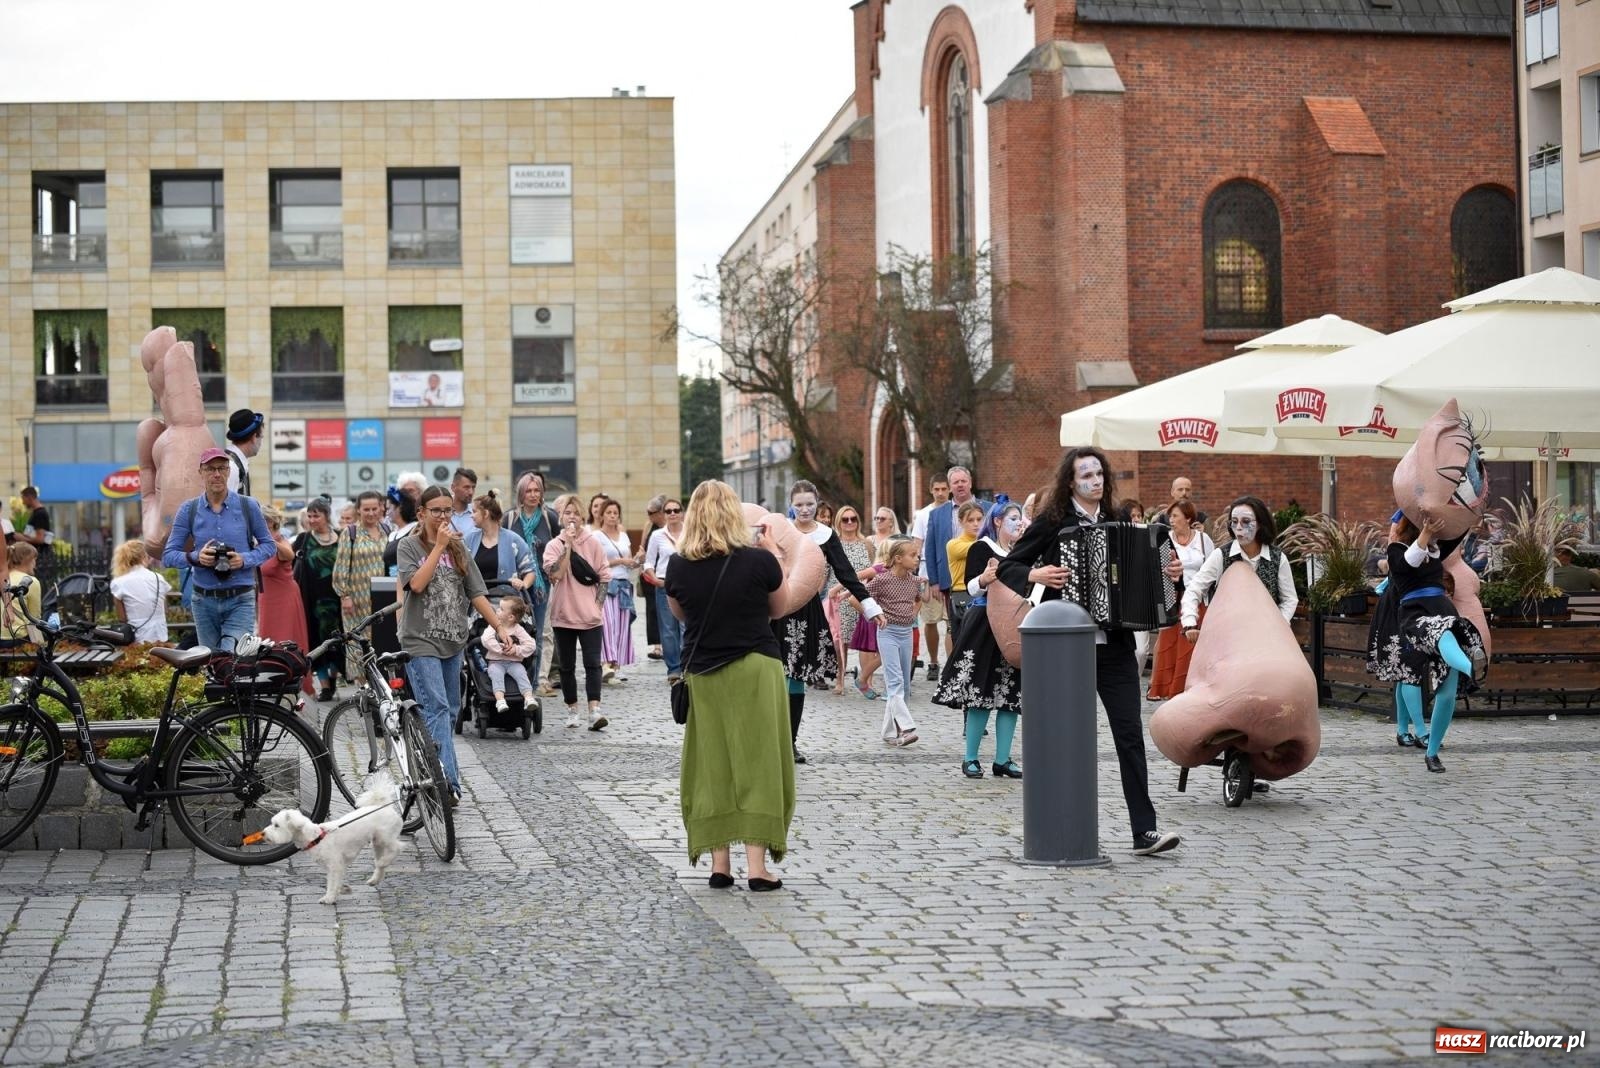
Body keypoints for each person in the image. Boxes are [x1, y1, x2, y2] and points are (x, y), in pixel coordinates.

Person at [1000, 446, 1181, 857]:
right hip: (1066, 648)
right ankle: (1061, 825)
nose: (1095, 481)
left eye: (1099, 474)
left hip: (1114, 646)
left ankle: (1144, 831)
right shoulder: (1051, 524)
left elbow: (1151, 573)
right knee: (1066, 738)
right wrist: (1035, 573)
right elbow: (1010, 566)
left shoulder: (1120, 521)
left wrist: (1168, 572)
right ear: (1071, 481)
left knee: (1130, 735)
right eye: (1086, 475)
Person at [664, 479, 792, 891]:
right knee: (759, 763)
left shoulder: (679, 565)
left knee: (713, 764)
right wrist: (772, 553)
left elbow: (681, 615)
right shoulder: (759, 562)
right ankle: (758, 868)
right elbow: (780, 607)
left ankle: (721, 865)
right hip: (756, 665)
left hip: (705, 673)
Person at [399, 485, 512, 804]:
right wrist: (438, 548)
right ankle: (447, 783)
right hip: (420, 640)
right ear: (421, 513)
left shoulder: (460, 550)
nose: (443, 516)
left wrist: (500, 627)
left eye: (447, 510)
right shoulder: (408, 546)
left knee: (449, 711)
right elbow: (416, 585)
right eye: (435, 510)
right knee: (435, 707)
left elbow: (477, 593)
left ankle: (431, 768)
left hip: (453, 640)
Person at [1368, 513, 1487, 773]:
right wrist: (1425, 531)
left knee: (1446, 691)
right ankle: (1472, 668)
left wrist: (1465, 508)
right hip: (1415, 613)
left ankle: (1432, 753)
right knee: (1440, 636)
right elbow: (1409, 563)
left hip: (1442, 608)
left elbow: (1456, 533)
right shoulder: (1396, 550)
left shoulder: (1435, 548)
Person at [778, 480, 883, 764]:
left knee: (796, 677)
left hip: (805, 609)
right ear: (791, 504)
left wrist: (870, 607)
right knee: (774, 678)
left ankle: (790, 742)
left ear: (818, 504)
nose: (804, 509)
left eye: (809, 504)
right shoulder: (780, 531)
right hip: (775, 609)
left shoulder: (825, 535)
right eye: (798, 504)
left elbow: (846, 574)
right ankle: (769, 740)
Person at [935, 498, 1029, 778]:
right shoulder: (982, 547)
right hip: (985, 625)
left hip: (1014, 627)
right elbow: (970, 588)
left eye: (1020, 518)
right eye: (1013, 518)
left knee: (1011, 694)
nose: (1018, 523)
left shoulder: (1022, 552)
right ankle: (971, 757)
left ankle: (1003, 759)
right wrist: (985, 579)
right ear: (998, 521)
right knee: (981, 692)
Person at [161, 448, 276, 654]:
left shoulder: (249, 506)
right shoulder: (189, 509)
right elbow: (168, 555)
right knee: (212, 664)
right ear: (201, 472)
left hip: (240, 599)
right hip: (203, 602)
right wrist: (196, 557)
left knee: (230, 659)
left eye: (222, 468)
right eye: (211, 469)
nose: (217, 474)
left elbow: (269, 545)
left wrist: (244, 559)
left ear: (229, 472)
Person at [1179, 496, 1297, 637]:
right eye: (1234, 522)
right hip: (1227, 636)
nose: (1239, 527)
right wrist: (1190, 622)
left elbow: (1289, 598)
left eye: (1246, 521)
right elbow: (1194, 589)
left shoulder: (1277, 558)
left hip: (1266, 638)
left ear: (1260, 524)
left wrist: (1279, 624)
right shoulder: (1221, 555)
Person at [542, 493, 612, 731]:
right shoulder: (553, 546)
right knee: (567, 667)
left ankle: (594, 710)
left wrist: (598, 605)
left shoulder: (593, 543)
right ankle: (572, 709)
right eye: (567, 513)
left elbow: (604, 575)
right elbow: (556, 574)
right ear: (561, 517)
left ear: (583, 516)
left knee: (593, 664)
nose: (572, 517)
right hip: (563, 616)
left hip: (590, 617)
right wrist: (568, 546)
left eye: (576, 513)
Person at [1147, 500, 1215, 700]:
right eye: (1170, 516)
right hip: (1172, 597)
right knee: (1169, 642)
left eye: (1175, 516)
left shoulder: (1203, 540)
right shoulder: (1165, 540)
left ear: (1188, 518)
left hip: (1197, 599)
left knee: (1190, 644)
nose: (1171, 520)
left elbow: (1213, 568)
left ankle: (1187, 689)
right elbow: (1154, 568)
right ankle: (1167, 689)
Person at [865, 535, 924, 746]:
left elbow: (919, 599)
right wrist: (875, 615)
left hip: (906, 632)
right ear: (898, 558)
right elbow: (860, 597)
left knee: (905, 685)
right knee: (895, 681)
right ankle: (906, 728)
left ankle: (890, 732)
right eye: (913, 555)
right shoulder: (881, 580)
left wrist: (912, 613)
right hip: (887, 632)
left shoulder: (915, 581)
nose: (917, 559)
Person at [508, 472, 561, 694]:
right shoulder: (510, 518)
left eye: (536, 490)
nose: (532, 494)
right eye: (528, 490)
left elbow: (561, 545)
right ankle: (514, 680)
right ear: (521, 493)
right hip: (514, 585)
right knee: (514, 630)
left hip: (542, 587)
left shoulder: (550, 518)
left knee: (538, 633)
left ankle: (536, 680)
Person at [255, 504, 314, 694]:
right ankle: (273, 680)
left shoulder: (280, 540)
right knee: (268, 640)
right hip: (266, 598)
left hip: (285, 597)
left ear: (270, 522)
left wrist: (270, 541)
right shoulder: (257, 543)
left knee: (287, 639)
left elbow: (289, 554)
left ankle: (294, 681)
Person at [293, 498, 345, 701]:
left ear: (326, 515)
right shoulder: (303, 539)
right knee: (317, 641)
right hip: (312, 601)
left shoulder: (342, 537)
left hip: (339, 600)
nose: (312, 519)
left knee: (339, 642)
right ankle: (324, 686)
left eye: (317, 515)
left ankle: (334, 675)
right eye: (310, 515)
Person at [333, 490, 391, 670]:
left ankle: (381, 686)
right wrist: (345, 596)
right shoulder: (350, 533)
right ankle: (363, 687)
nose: (371, 513)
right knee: (359, 644)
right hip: (357, 600)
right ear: (359, 510)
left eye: (375, 508)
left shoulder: (388, 530)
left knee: (381, 643)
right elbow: (340, 568)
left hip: (382, 598)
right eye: (366, 509)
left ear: (381, 508)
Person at [826, 506, 873, 695]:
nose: (849, 523)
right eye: (845, 519)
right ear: (839, 522)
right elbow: (825, 570)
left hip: (861, 595)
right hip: (839, 597)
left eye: (853, 519)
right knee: (840, 642)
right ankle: (840, 678)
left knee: (867, 639)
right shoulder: (833, 543)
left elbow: (873, 570)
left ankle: (867, 680)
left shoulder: (867, 544)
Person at [911, 476, 951, 679]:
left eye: (944, 488)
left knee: (951, 621)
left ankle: (951, 665)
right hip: (928, 572)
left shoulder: (955, 511)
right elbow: (917, 545)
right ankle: (934, 661)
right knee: (931, 620)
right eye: (937, 489)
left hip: (952, 571)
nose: (941, 492)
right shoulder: (924, 514)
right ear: (931, 490)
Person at [594, 497, 638, 682]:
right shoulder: (596, 537)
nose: (612, 516)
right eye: (609, 513)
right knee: (606, 623)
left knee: (621, 626)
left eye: (615, 513)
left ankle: (613, 665)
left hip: (623, 585)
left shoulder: (624, 536)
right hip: (605, 584)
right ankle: (604, 662)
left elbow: (629, 562)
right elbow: (596, 563)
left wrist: (638, 560)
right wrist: (620, 561)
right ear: (602, 515)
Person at [643, 497, 686, 683]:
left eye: (676, 510)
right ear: (664, 514)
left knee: (687, 627)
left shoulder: (691, 532)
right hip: (664, 584)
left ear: (682, 512)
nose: (673, 514)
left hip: (688, 585)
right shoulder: (657, 535)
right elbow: (649, 561)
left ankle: (688, 666)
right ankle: (674, 669)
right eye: (668, 511)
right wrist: (653, 578)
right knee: (668, 629)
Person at [463, 491, 534, 596]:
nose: (471, 516)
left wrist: (523, 584)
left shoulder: (513, 540)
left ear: (486, 513)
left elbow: (530, 570)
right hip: (475, 603)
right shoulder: (469, 539)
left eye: (474, 512)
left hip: (506, 603)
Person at [481, 596, 539, 712]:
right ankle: (500, 700)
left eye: (501, 609)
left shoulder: (518, 629)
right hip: (496, 662)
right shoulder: (494, 626)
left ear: (511, 617)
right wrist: (501, 649)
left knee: (522, 674)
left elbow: (531, 645)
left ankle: (528, 697)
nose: (497, 610)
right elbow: (485, 639)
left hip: (514, 663)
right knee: (496, 675)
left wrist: (516, 650)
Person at [110, 540, 172, 643]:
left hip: (137, 638)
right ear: (143, 557)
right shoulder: (158, 578)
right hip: (161, 636)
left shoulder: (118, 583)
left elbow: (122, 619)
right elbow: (165, 610)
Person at [945, 501, 985, 624]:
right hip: (963, 595)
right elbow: (978, 548)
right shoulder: (954, 544)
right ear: (961, 521)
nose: (976, 524)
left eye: (979, 519)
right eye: (970, 520)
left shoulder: (986, 542)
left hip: (984, 594)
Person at [642, 495, 668, 660]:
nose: (650, 515)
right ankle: (657, 645)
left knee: (668, 610)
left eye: (652, 512)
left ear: (660, 511)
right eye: (648, 512)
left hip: (667, 573)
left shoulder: (671, 527)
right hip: (651, 573)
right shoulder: (649, 525)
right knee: (652, 609)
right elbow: (643, 547)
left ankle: (669, 644)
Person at [4, 543, 43, 641]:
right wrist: (40, 644)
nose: (35, 564)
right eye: (35, 559)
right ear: (28, 559)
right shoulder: (30, 581)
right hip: (18, 638)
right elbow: (34, 619)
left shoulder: (3, 579)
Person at [224, 409, 265, 497]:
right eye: (261, 437)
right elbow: (224, 508)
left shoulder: (236, 463)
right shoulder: (232, 468)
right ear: (254, 437)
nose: (261, 442)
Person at [448, 468, 479, 535]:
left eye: (473, 487)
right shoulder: (441, 512)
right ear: (453, 487)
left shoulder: (477, 514)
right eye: (466, 487)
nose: (471, 492)